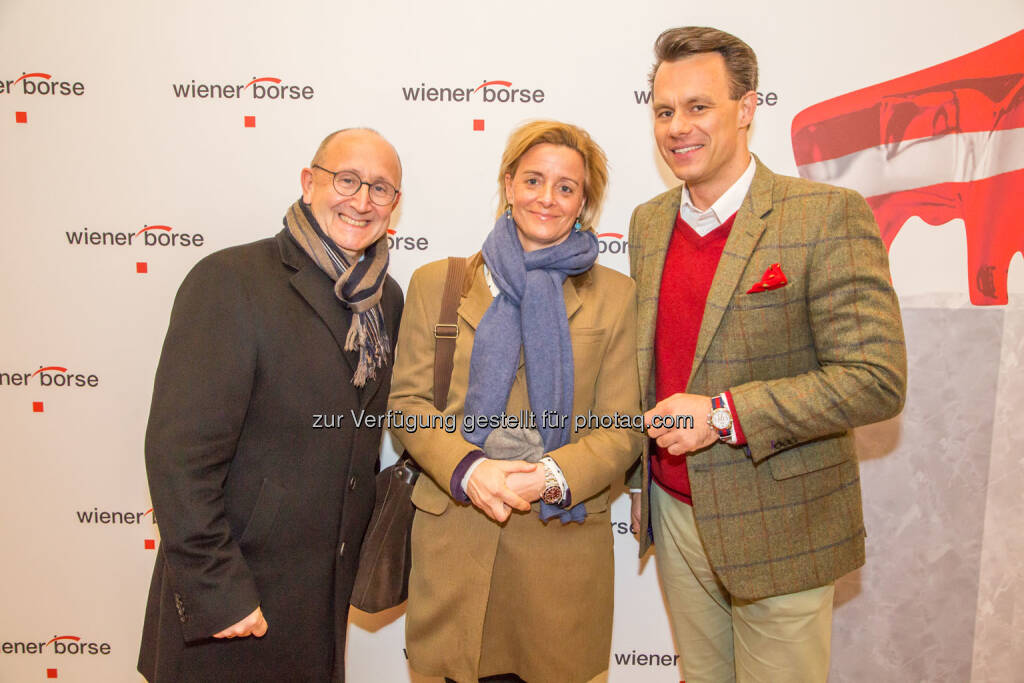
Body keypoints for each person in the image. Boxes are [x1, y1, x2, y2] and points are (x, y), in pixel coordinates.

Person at [627, 27, 908, 683]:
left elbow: (875, 380)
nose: (677, 127)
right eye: (665, 111)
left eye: (699, 106)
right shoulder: (647, 223)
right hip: (673, 514)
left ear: (747, 108)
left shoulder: (824, 215)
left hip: (782, 525)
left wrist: (723, 414)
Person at [138, 128, 404, 682]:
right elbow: (179, 457)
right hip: (235, 602)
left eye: (381, 189)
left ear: (394, 206)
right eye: (347, 180)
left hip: (320, 601)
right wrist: (219, 592)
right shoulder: (231, 280)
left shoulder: (385, 300)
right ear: (310, 184)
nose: (361, 201)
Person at [389, 120, 643, 682]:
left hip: (561, 548)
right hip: (457, 540)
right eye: (533, 179)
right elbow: (407, 403)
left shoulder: (617, 295)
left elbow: (623, 427)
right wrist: (469, 469)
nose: (546, 198)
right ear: (508, 185)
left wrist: (549, 476)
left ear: (584, 203)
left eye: (566, 187)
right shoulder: (440, 283)